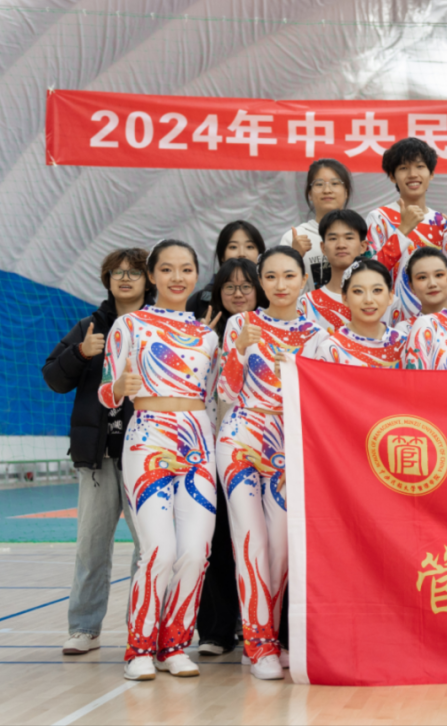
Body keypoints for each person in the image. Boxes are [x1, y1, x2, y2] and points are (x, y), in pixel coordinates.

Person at [98, 240, 220, 681]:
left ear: (196, 275)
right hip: (148, 440)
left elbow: (212, 398)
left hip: (198, 445)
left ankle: (174, 645)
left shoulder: (208, 335)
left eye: (186, 269)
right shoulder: (129, 325)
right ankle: (139, 649)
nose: (177, 277)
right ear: (152, 276)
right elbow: (106, 393)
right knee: (159, 551)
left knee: (196, 552)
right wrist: (120, 387)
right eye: (166, 269)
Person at [216, 246, 327, 680]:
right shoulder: (241, 324)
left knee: (280, 549)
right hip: (242, 437)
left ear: (304, 280)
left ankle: (267, 639)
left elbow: (322, 398)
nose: (281, 285)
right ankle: (259, 643)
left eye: (289, 276)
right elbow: (225, 392)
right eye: (271, 277)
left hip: (290, 442)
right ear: (261, 282)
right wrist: (239, 352)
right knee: (251, 543)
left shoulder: (318, 334)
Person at [43, 248, 149, 656]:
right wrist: (80, 353)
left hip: (147, 455)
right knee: (90, 547)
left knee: (150, 548)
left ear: (148, 280)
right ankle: (84, 628)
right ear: (107, 280)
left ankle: (143, 630)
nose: (125, 278)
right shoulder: (89, 327)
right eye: (117, 273)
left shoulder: (158, 326)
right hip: (98, 458)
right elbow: (53, 378)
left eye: (134, 272)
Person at [195, 257, 267, 658]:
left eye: (246, 286)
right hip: (208, 447)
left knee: (261, 538)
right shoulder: (202, 334)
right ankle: (216, 630)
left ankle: (263, 625)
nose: (238, 293)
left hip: (261, 451)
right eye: (229, 286)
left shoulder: (274, 330)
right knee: (217, 537)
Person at [365, 137, 447, 320]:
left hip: (437, 319)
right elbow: (370, 272)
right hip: (391, 318)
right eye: (403, 168)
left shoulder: (441, 222)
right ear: (392, 176)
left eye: (420, 166)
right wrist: (402, 230)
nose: (413, 174)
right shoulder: (379, 218)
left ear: (431, 173)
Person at [316, 259, 408, 368]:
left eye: (377, 290)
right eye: (358, 291)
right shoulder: (330, 350)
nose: (368, 300)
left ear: (390, 296)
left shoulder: (404, 344)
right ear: (344, 298)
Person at [280, 158, 352, 288]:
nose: (327, 190)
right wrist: (295, 256)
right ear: (310, 194)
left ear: (346, 192)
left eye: (335, 183)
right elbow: (282, 289)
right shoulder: (293, 238)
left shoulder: (361, 235)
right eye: (319, 184)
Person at [296, 209, 370, 332]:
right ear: (323, 248)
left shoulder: (383, 301)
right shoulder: (305, 304)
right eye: (333, 238)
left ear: (363, 246)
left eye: (349, 237)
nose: (341, 245)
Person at [187, 221, 266, 318]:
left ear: (260, 255)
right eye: (233, 247)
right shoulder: (201, 301)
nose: (242, 253)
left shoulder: (272, 297)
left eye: (249, 247)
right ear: (222, 256)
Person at [390, 247, 447, 329]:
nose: (432, 284)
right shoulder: (404, 330)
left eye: (439, 275)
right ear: (411, 286)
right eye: (422, 277)